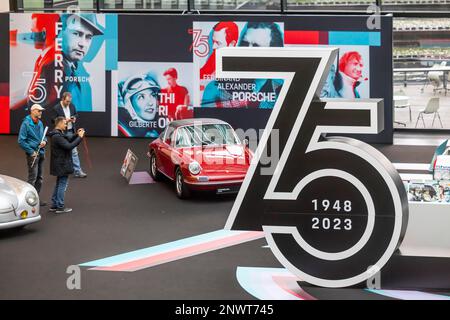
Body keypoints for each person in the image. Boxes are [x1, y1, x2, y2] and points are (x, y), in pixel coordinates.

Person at [59, 14, 104, 111]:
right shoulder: (53, 68)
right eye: (76, 34)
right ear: (61, 32)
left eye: (88, 37)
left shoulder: (74, 69)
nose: (82, 44)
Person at [48, 117, 85, 213]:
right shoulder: (57, 136)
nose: (66, 125)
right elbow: (69, 146)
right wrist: (80, 137)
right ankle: (60, 206)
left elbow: (68, 138)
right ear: (59, 123)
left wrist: (76, 134)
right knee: (62, 185)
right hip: (62, 164)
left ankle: (54, 205)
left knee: (58, 184)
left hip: (59, 164)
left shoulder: (57, 134)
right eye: (65, 123)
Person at [50, 92, 87, 178]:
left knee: (74, 152)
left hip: (71, 130)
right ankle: (69, 170)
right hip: (62, 132)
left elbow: (76, 114)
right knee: (68, 151)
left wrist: (74, 118)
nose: (68, 103)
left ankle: (77, 171)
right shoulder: (56, 108)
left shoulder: (72, 106)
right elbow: (53, 120)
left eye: (70, 101)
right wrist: (64, 121)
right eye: (67, 101)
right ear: (62, 99)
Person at [18, 104, 47, 206]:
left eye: (41, 111)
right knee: (32, 178)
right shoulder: (26, 124)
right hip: (33, 155)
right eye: (39, 111)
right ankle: (28, 201)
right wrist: (31, 152)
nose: (41, 113)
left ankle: (36, 198)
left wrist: (45, 142)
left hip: (41, 152)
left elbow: (44, 136)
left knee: (40, 177)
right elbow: (21, 141)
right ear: (33, 111)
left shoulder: (40, 123)